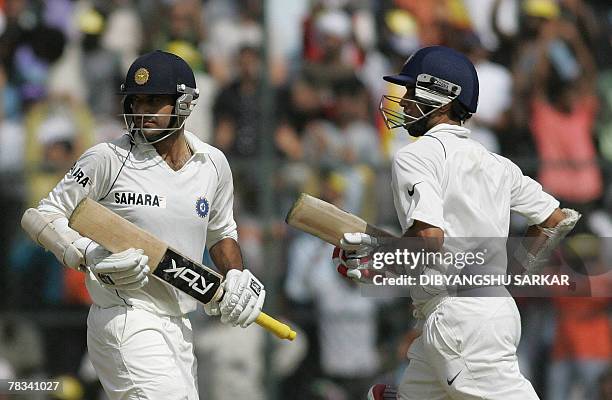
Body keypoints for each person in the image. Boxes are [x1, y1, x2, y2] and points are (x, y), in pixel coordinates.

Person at [333, 46, 581, 399]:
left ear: (444, 98)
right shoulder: (496, 163)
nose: (402, 103)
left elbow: (431, 239)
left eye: (411, 93)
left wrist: (381, 254)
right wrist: (511, 270)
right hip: (487, 312)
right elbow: (554, 219)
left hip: (460, 320)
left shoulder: (416, 156)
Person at [21, 50, 266, 400]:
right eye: (136, 101)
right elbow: (42, 215)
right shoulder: (108, 158)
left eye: (155, 101)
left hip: (180, 323)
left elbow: (222, 233)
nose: (142, 111)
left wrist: (236, 276)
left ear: (184, 103)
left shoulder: (213, 164)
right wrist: (89, 253)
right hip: (124, 316)